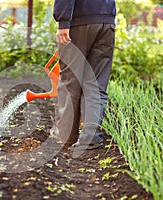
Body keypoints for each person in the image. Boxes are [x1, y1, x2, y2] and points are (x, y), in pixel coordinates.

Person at [51, 0, 116, 152]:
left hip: (79, 21)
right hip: (106, 23)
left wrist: (63, 22)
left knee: (70, 82)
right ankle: (90, 139)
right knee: (96, 84)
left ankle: (66, 136)